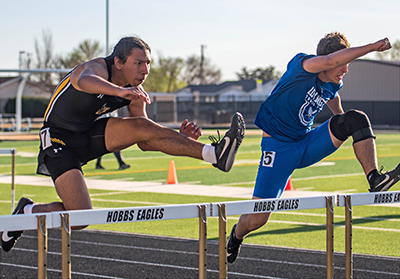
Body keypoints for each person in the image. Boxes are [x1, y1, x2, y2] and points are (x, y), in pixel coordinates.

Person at [1, 36, 245, 252]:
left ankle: (214, 154)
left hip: (88, 134)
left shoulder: (134, 89)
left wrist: (180, 137)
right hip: (58, 138)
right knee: (79, 217)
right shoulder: (96, 68)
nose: (145, 70)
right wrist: (118, 91)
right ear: (118, 62)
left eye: (148, 63)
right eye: (138, 63)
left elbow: (144, 140)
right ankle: (27, 211)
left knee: (140, 125)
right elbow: (83, 81)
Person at [226, 32, 400, 264]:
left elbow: (333, 99)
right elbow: (330, 62)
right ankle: (236, 235)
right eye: (342, 64)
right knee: (258, 219)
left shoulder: (335, 79)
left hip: (306, 142)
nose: (345, 70)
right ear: (330, 60)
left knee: (356, 118)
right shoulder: (303, 65)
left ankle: (375, 179)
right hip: (279, 150)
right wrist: (371, 47)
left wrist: (345, 125)